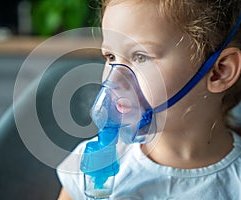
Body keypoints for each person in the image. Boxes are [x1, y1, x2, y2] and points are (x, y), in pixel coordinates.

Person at [57, 0, 241, 199]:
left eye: (141, 57)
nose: (115, 80)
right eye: (110, 57)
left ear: (219, 72)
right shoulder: (87, 170)